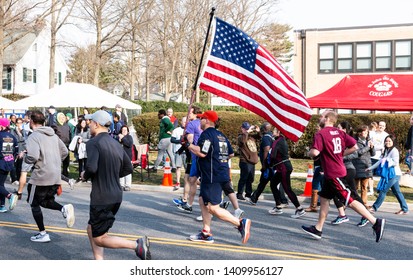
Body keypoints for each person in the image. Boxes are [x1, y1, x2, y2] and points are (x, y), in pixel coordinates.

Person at [302, 110, 385, 243]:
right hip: (334, 172)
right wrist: (340, 154)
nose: (319, 117)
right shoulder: (340, 132)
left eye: (322, 116)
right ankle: (318, 228)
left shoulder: (321, 133)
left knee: (349, 200)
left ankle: (375, 222)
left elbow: (315, 152)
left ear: (327, 119)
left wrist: (309, 152)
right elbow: (355, 146)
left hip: (334, 173)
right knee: (324, 198)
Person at [81, 110, 150, 260]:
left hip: (102, 197)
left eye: (90, 122)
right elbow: (128, 168)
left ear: (96, 124)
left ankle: (136, 245)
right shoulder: (116, 143)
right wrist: (110, 175)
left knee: (99, 238)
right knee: (91, 228)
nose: (89, 125)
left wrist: (84, 175)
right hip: (116, 195)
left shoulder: (93, 142)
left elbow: (91, 168)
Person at [185, 110, 251, 244]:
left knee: (212, 207)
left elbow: (202, 153)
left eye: (202, 119)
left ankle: (239, 223)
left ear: (208, 121)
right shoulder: (221, 135)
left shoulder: (206, 134)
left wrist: (188, 145)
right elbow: (230, 154)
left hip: (211, 175)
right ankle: (206, 232)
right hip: (220, 173)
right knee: (202, 200)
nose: (200, 121)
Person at [24, 110, 74, 243]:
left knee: (34, 203)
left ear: (32, 121)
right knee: (45, 201)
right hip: (55, 174)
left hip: (40, 175)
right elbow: (64, 151)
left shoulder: (33, 136)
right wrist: (54, 162)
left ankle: (43, 233)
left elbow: (33, 156)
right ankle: (63, 208)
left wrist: (24, 158)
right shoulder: (53, 135)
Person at [266, 126, 305, 218]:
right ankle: (278, 206)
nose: (272, 132)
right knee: (273, 184)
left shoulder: (277, 141)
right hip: (283, 166)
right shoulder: (282, 140)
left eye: (274, 131)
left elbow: (273, 155)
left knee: (287, 189)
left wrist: (269, 164)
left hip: (283, 167)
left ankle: (299, 209)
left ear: (278, 132)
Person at [247, 122, 288, 207]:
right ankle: (254, 198)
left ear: (264, 129)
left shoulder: (266, 138)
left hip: (269, 165)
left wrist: (264, 164)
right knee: (264, 182)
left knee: (272, 183)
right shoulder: (271, 137)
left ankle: (283, 201)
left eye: (261, 129)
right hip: (273, 164)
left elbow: (266, 150)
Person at [367, 134, 409, 215]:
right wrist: (370, 168)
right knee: (397, 192)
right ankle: (405, 208)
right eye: (386, 141)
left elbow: (395, 162)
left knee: (383, 190)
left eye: (389, 141)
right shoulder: (386, 150)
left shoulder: (394, 150)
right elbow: (380, 161)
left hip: (394, 174)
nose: (387, 142)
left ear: (393, 142)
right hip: (389, 174)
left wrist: (387, 160)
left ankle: (374, 207)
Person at [173, 105, 203, 213]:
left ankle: (215, 202)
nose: (188, 114)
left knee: (192, 180)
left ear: (195, 113)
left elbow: (189, 140)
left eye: (190, 112)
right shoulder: (202, 123)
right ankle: (189, 204)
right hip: (203, 154)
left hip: (195, 155)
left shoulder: (191, 124)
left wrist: (184, 139)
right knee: (192, 180)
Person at [353, 125, 375, 207]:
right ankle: (354, 202)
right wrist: (367, 147)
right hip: (357, 165)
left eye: (366, 132)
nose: (365, 134)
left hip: (366, 165)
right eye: (363, 132)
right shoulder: (355, 141)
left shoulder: (368, 141)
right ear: (359, 133)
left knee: (364, 187)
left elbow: (373, 154)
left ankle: (364, 203)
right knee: (355, 187)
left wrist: (372, 147)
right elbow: (358, 152)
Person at [236, 121, 259, 200]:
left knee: (250, 178)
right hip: (245, 161)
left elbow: (259, 137)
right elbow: (243, 141)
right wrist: (246, 132)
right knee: (244, 178)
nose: (246, 130)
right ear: (242, 129)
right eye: (245, 129)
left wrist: (257, 131)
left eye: (247, 129)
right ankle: (239, 193)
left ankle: (248, 194)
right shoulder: (241, 137)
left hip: (252, 161)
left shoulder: (251, 137)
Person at [0, 118, 19, 213]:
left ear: (2, 126)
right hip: (9, 162)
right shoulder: (12, 136)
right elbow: (16, 150)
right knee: (1, 185)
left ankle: (10, 196)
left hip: (1, 162)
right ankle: (2, 206)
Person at [369, 121, 389, 194]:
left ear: (385, 127)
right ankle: (371, 190)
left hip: (381, 158)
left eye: (383, 126)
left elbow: (385, 146)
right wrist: (376, 147)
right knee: (370, 174)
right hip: (372, 156)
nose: (381, 127)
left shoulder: (386, 135)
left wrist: (376, 147)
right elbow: (370, 144)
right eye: (380, 125)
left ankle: (380, 188)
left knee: (382, 174)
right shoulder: (373, 134)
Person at [171, 116, 187, 189]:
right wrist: (179, 141)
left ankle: (187, 183)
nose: (185, 123)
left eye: (186, 122)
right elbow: (172, 140)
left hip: (187, 152)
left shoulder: (189, 130)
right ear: (181, 122)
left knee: (188, 169)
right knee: (178, 167)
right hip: (179, 151)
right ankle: (178, 182)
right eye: (184, 122)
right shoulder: (176, 130)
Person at [118, 125, 133, 191]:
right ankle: (121, 184)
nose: (124, 131)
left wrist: (123, 138)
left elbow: (129, 144)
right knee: (121, 170)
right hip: (120, 157)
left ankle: (127, 185)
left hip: (127, 157)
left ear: (127, 131)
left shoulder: (129, 137)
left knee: (127, 171)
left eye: (125, 130)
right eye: (123, 130)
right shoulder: (119, 137)